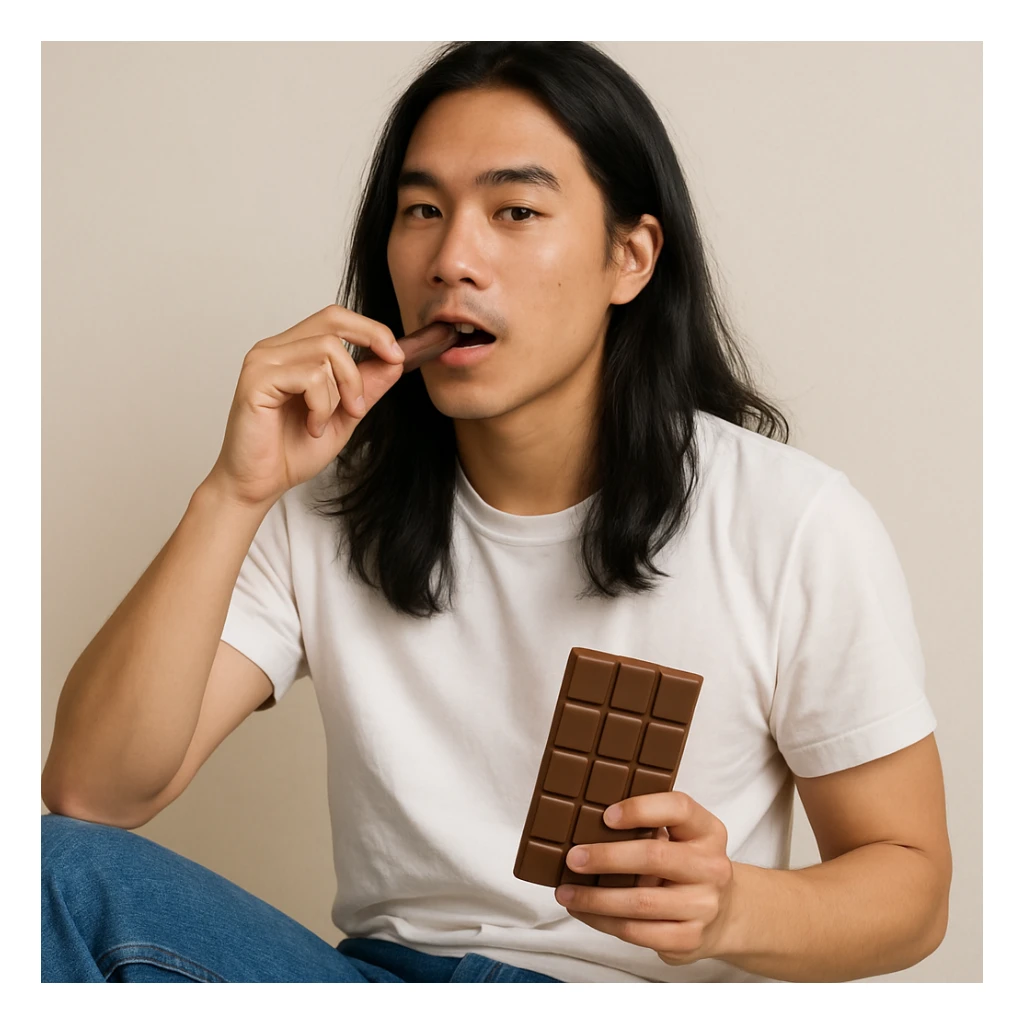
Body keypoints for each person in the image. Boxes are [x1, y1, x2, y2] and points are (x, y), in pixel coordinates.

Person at [41, 41, 952, 984]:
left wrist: (733, 908)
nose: (452, 259)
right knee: (52, 875)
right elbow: (93, 794)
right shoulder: (327, 510)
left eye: (515, 211)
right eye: (422, 211)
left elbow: (913, 887)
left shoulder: (792, 522)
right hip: (380, 984)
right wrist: (233, 492)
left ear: (630, 258)